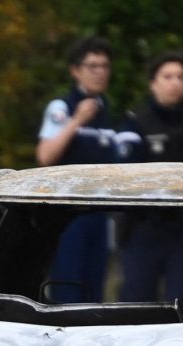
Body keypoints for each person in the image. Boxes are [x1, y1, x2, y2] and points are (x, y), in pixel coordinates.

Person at [114, 52, 183, 303]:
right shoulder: (136, 124)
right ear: (153, 83)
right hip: (143, 230)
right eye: (167, 76)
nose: (175, 82)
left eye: (180, 77)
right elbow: (125, 174)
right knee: (137, 306)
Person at [36, 36, 119, 303]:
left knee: (94, 291)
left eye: (104, 66)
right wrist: (77, 121)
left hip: (100, 212)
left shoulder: (108, 113)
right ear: (76, 70)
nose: (99, 72)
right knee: (67, 288)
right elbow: (45, 155)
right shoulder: (62, 107)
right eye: (92, 66)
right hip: (68, 214)